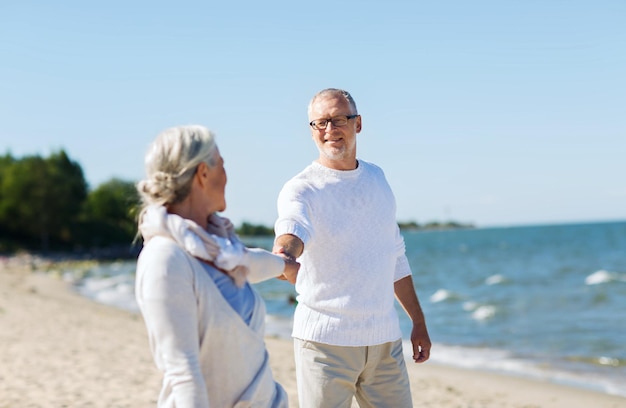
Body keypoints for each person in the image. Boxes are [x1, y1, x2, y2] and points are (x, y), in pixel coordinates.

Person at [273, 88, 431, 408]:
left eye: (339, 120)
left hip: (384, 341)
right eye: (321, 123)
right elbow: (293, 227)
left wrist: (418, 322)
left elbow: (395, 255)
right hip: (324, 346)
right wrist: (285, 255)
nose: (330, 130)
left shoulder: (377, 179)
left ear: (358, 124)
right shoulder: (302, 187)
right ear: (312, 130)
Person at [135, 125, 298, 407]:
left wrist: (285, 265)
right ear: (203, 173)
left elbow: (251, 262)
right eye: (222, 166)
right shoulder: (166, 260)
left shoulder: (219, 248)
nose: (227, 176)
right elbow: (184, 376)